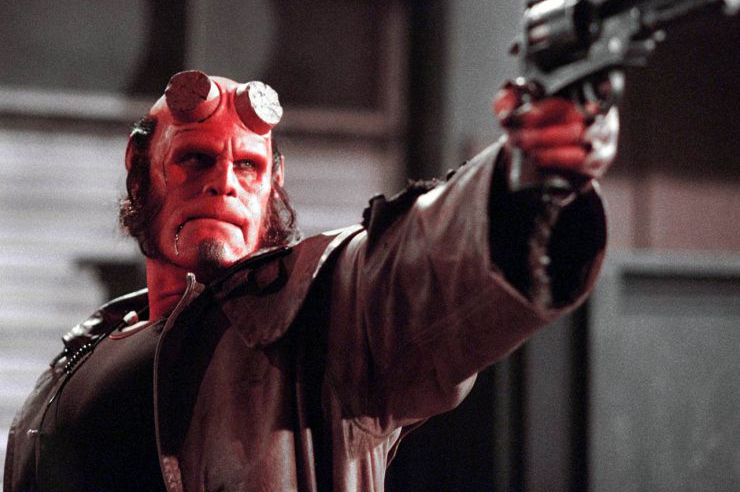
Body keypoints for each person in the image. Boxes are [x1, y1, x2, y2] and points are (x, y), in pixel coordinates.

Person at [4, 69, 618, 491]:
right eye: (194, 158)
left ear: (271, 190)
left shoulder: (312, 325)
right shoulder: (81, 355)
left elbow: (412, 271)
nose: (224, 183)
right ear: (140, 173)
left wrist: (524, 185)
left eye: (248, 166)